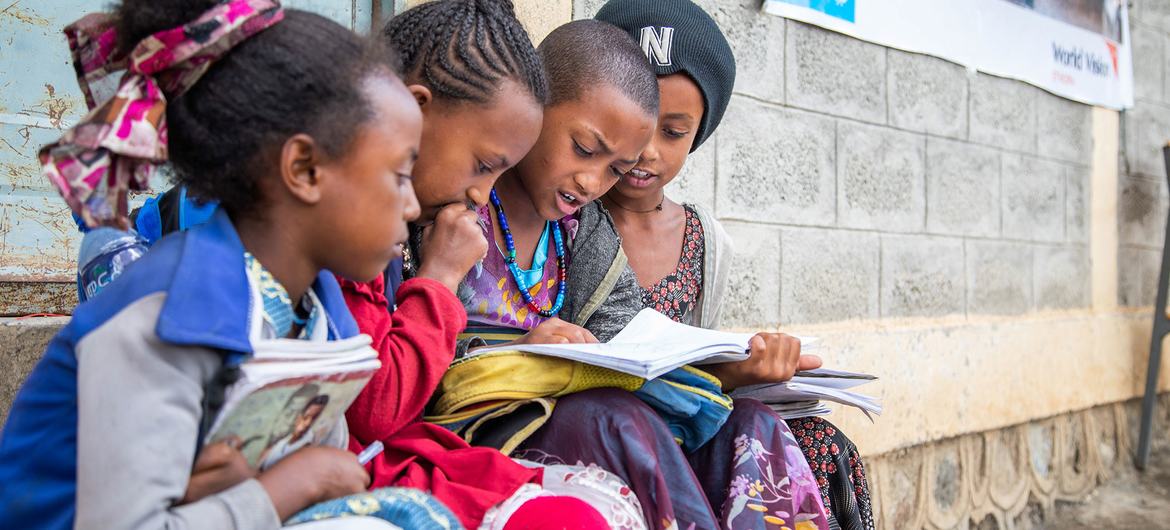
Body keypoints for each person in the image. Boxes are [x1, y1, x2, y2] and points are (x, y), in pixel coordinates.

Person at [0, 1, 427, 528]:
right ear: (305, 169)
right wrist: (287, 488)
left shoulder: (318, 309)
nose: (412, 207)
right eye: (400, 176)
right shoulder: (166, 318)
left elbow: (327, 459)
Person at [446, 18, 829, 530]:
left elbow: (628, 348)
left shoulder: (584, 232)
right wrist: (519, 350)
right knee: (615, 418)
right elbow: (406, 334)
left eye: (614, 170)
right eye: (584, 149)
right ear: (535, 102)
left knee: (750, 423)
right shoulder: (460, 203)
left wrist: (734, 370)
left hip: (581, 419)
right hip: (480, 430)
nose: (591, 181)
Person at [338, 2, 629, 529]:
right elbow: (381, 408)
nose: (480, 193)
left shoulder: (580, 238)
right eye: (483, 166)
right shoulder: (354, 232)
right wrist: (440, 279)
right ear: (414, 109)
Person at [594, 1, 875, 528]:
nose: (646, 151)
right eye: (634, 123)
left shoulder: (704, 240)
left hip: (691, 425)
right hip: (609, 432)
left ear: (700, 133)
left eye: (673, 132)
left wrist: (750, 370)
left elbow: (698, 367)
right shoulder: (570, 217)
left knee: (817, 442)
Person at [260, 394, 331, 471]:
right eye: (306, 417)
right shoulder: (282, 439)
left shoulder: (308, 445)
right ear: (298, 416)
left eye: (314, 418)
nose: (307, 423)